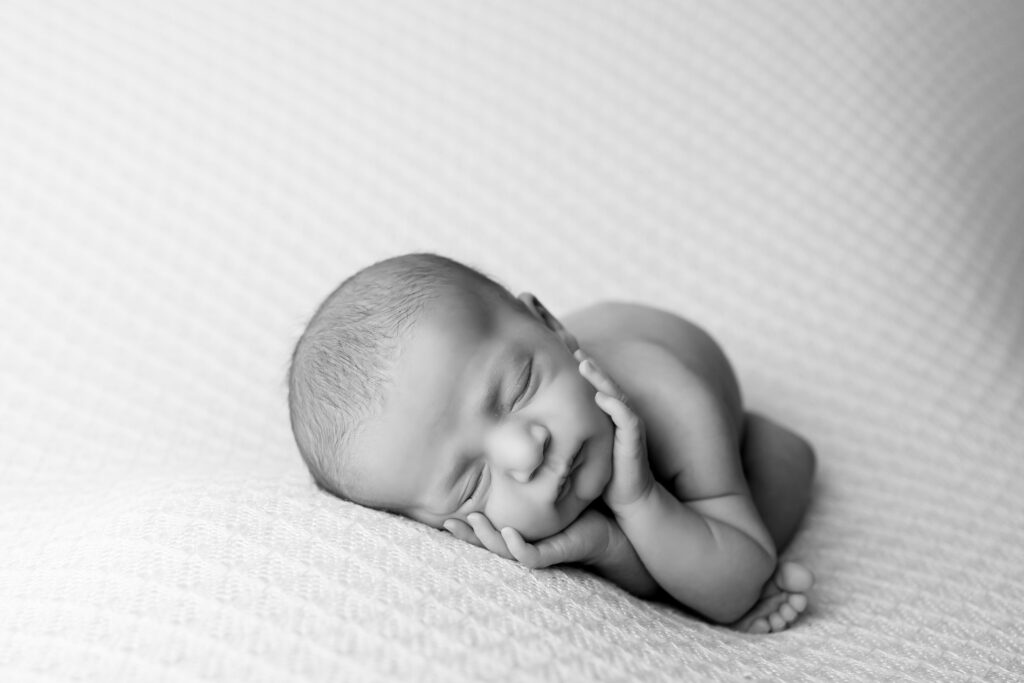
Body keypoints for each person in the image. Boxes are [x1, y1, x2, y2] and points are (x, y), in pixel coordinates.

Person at [288, 253, 816, 633]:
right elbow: (643, 561)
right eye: (471, 483)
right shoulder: (495, 499)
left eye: (518, 388)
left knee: (773, 476)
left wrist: (638, 500)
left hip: (686, 380)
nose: (524, 453)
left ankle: (767, 446)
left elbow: (737, 586)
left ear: (549, 325)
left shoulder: (674, 401)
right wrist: (603, 545)